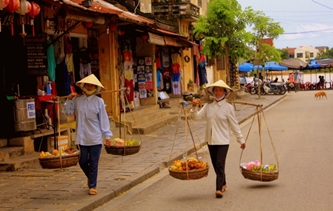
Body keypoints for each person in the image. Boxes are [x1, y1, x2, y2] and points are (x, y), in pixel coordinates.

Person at [190, 80, 246, 198]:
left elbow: (234, 125)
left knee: (220, 164)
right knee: (216, 165)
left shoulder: (228, 108)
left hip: (223, 141)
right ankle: (224, 183)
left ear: (225, 92)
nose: (218, 92)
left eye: (220, 90)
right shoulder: (208, 106)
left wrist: (241, 140)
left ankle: (218, 189)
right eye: (216, 90)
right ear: (213, 91)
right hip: (210, 140)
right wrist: (194, 107)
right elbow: (197, 117)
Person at [63, 74, 113, 196]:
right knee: (82, 161)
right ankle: (91, 177)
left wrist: (107, 136)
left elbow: (103, 119)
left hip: (95, 137)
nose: (90, 87)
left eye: (92, 85)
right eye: (88, 85)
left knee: (94, 162)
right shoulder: (77, 100)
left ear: (95, 88)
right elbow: (68, 112)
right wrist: (69, 100)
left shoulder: (99, 102)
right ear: (83, 86)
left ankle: (92, 186)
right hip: (81, 137)